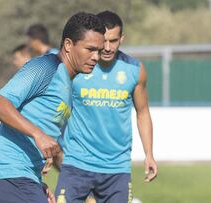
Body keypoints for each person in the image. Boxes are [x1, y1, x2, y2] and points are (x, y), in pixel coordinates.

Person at [0, 12, 105, 203]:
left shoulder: (69, 85)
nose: (96, 57)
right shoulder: (45, 66)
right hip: (6, 174)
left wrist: (37, 183)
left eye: (99, 50)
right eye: (90, 49)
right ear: (69, 45)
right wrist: (38, 134)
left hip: (25, 178)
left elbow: (48, 138)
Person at [55, 10, 158, 203]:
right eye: (105, 41)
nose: (108, 47)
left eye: (114, 41)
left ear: (122, 38)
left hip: (116, 168)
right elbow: (55, 106)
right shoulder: (75, 67)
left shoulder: (135, 70)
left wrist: (149, 154)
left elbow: (143, 113)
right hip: (77, 162)